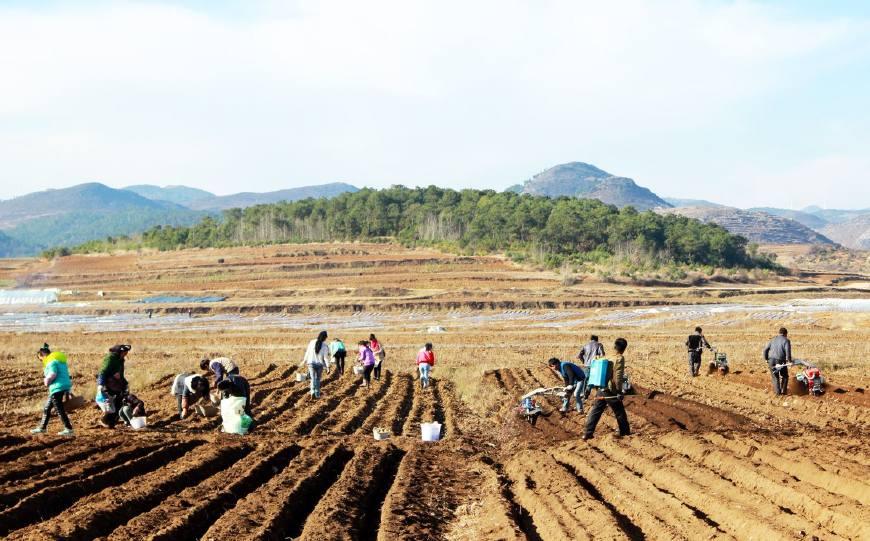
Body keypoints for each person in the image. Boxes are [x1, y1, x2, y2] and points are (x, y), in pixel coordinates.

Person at [583, 338, 631, 440]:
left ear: (614, 346)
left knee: (596, 410)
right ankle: (625, 432)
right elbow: (617, 377)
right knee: (619, 411)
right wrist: (618, 391)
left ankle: (587, 433)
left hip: (601, 388)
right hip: (610, 390)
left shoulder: (606, 356)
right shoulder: (619, 358)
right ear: (624, 348)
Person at [31, 343, 74, 436]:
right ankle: (42, 428)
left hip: (57, 387)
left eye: (40, 358)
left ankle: (68, 429)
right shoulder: (59, 361)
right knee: (47, 407)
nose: (41, 360)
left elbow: (52, 374)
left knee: (59, 409)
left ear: (42, 355)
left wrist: (46, 380)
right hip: (62, 386)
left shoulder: (51, 362)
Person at [96, 344, 131, 428]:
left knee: (120, 403)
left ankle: (111, 422)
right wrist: (101, 385)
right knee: (112, 406)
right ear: (119, 352)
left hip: (118, 384)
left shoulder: (120, 360)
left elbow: (121, 374)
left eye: (126, 352)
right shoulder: (110, 358)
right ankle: (105, 421)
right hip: (109, 384)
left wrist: (125, 384)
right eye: (124, 352)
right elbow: (103, 371)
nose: (125, 354)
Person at [300, 331, 330, 398]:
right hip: (320, 364)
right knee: (318, 379)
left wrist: (304, 361)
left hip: (311, 363)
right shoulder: (325, 346)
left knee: (312, 378)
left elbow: (307, 352)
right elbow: (325, 358)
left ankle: (312, 391)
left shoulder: (312, 342)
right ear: (325, 338)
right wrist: (328, 367)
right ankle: (317, 394)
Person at [763, 327, 792, 395]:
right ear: (785, 334)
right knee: (784, 376)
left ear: (779, 333)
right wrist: (789, 361)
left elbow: (765, 350)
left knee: (775, 377)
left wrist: (766, 359)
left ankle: (777, 393)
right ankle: (783, 391)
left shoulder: (772, 339)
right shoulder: (786, 340)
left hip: (771, 361)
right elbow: (788, 352)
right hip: (781, 361)